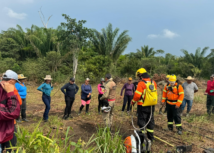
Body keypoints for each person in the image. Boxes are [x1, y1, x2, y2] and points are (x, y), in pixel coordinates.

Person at [131, 68, 157, 148]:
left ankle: (142, 138)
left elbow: (137, 95)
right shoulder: (153, 82)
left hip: (142, 105)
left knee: (142, 121)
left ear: (140, 75)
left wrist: (133, 101)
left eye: (139, 76)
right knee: (150, 120)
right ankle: (151, 137)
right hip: (152, 105)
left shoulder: (141, 83)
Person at [0, 70, 20, 153]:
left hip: (7, 126)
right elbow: (12, 112)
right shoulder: (9, 91)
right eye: (14, 82)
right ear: (11, 81)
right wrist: (10, 93)